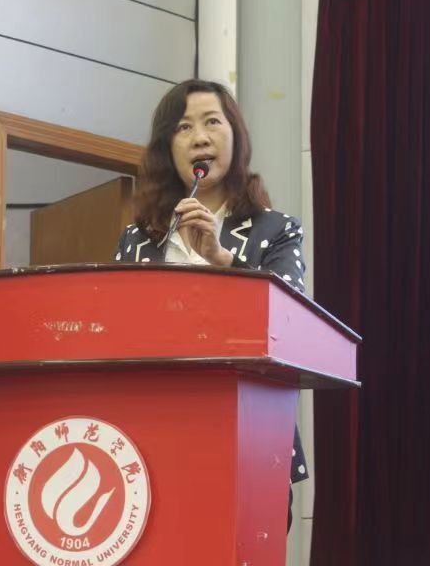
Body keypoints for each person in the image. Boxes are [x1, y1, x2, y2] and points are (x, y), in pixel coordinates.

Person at [113, 79, 309, 530]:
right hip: (154, 436)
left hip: (250, 434)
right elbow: (121, 331)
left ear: (235, 137)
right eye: (183, 127)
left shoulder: (276, 230)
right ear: (168, 149)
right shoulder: (138, 239)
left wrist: (224, 260)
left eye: (212, 122)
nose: (200, 137)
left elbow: (291, 318)